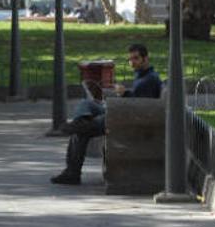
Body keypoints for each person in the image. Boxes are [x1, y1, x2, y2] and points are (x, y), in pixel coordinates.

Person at [51, 43, 162, 185]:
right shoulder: (144, 76)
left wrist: (124, 94)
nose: (132, 62)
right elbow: (136, 100)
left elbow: (140, 108)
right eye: (130, 59)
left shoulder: (149, 80)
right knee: (87, 104)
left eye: (136, 59)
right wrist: (124, 93)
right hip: (122, 111)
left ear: (146, 59)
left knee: (80, 133)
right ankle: (80, 122)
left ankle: (72, 172)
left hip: (123, 118)